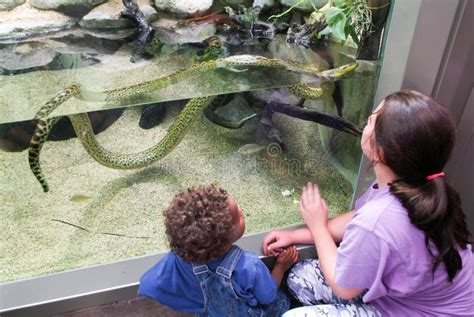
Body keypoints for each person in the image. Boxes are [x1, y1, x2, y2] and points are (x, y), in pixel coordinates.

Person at [262, 90, 473, 316]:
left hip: (422, 312)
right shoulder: (415, 185)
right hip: (407, 294)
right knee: (298, 279)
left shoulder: (379, 219)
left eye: (372, 120)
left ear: (379, 151)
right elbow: (356, 218)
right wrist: (295, 236)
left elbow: (344, 288)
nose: (365, 123)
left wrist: (317, 225)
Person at [139, 184, 299, 316]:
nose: (242, 212)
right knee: (282, 300)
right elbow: (268, 296)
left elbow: (149, 284)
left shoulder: (177, 260)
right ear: (224, 242)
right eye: (238, 216)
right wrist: (280, 267)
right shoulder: (248, 265)